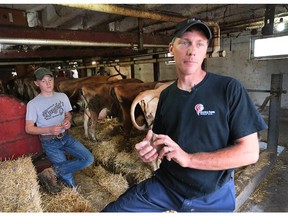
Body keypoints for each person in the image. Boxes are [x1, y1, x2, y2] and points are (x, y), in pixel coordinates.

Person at [101, 18, 268, 212]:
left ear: (206, 50)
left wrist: (189, 159)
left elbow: (250, 153)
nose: (192, 50)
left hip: (212, 195)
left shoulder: (229, 89)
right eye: (185, 42)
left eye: (200, 44)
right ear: (171, 48)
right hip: (166, 187)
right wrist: (151, 149)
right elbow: (161, 141)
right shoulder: (166, 95)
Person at [25, 67, 94, 191]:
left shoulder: (62, 96)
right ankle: (74, 193)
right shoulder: (33, 104)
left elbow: (67, 114)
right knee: (67, 175)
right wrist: (49, 129)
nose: (48, 83)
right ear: (36, 83)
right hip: (49, 142)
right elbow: (29, 129)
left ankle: (52, 171)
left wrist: (67, 120)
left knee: (88, 158)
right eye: (43, 81)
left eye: (50, 80)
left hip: (66, 137)